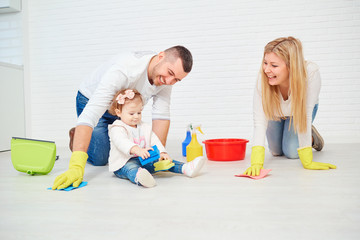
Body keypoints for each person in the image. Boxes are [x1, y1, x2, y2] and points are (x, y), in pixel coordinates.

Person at [52, 46, 193, 190]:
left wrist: (156, 155)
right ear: (161, 56)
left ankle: (100, 135)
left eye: (176, 79)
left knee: (127, 148)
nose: (169, 81)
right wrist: (76, 166)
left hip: (124, 111)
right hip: (90, 100)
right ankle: (77, 135)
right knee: (101, 158)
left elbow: (161, 117)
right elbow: (90, 114)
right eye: (169, 73)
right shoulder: (125, 70)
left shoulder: (166, 78)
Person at [244, 37, 336, 176]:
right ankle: (289, 132)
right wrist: (256, 162)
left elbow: (304, 115)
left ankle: (311, 137)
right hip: (276, 112)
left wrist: (307, 161)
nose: (266, 70)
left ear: (291, 66)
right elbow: (259, 121)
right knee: (275, 151)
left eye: (274, 66)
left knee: (291, 152)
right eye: (265, 63)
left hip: (299, 114)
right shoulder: (263, 78)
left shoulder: (310, 73)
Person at [107, 89, 205, 187]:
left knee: (165, 161)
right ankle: (140, 177)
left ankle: (185, 168)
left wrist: (162, 152)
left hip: (144, 159)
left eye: (139, 112)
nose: (136, 116)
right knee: (130, 168)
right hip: (124, 162)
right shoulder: (117, 127)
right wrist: (137, 150)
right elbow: (121, 142)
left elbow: (154, 140)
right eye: (131, 114)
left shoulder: (144, 126)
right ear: (118, 112)